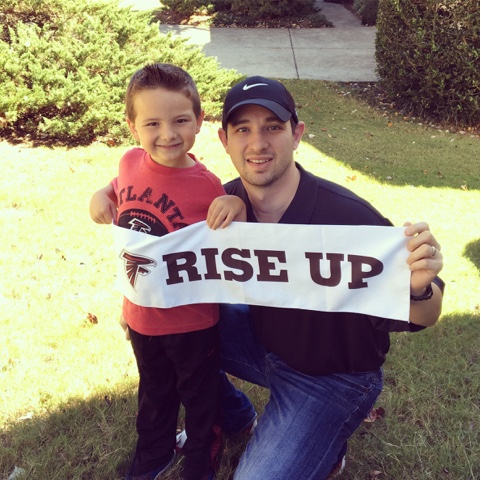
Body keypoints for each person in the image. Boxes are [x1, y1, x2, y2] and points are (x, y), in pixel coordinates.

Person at [212, 76, 445, 479]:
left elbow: (427, 315)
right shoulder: (225, 204)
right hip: (265, 345)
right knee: (158, 330)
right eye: (243, 129)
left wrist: (419, 287)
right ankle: (235, 417)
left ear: (297, 134)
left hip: (334, 378)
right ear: (224, 140)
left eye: (273, 127)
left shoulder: (347, 217)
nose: (257, 143)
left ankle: (325, 442)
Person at [89, 63, 245, 480]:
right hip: (141, 311)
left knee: (199, 395)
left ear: (199, 120)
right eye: (152, 123)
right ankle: (154, 453)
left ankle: (200, 461)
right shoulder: (129, 161)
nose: (168, 134)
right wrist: (101, 194)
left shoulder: (206, 184)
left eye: (180, 121)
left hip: (191, 319)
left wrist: (236, 205)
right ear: (132, 127)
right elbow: (118, 187)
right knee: (154, 391)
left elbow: (236, 243)